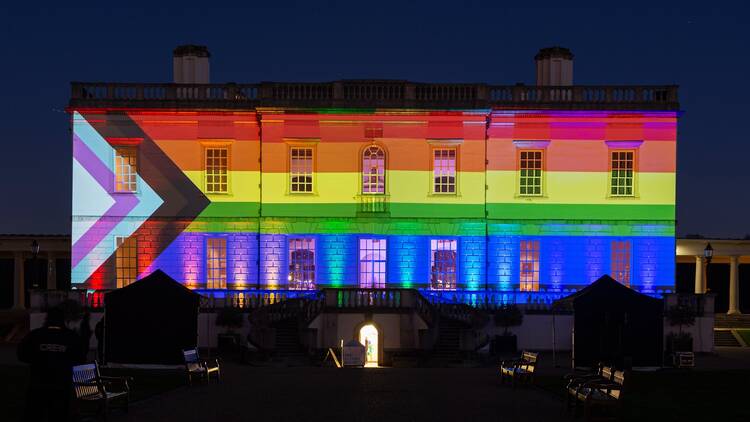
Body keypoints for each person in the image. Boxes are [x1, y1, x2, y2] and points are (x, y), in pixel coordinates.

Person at [17, 307, 87, 422]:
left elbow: (22, 354)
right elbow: (80, 357)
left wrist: (37, 360)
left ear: (47, 318)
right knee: (59, 414)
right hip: (61, 384)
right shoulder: (71, 337)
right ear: (64, 319)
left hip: (38, 383)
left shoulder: (35, 335)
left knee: (34, 413)